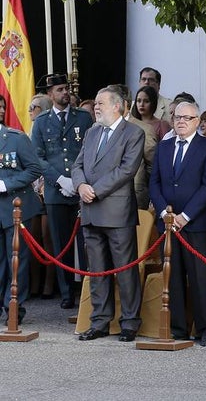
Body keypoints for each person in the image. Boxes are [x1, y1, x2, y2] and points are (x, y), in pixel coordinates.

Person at [74, 87, 146, 342]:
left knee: (124, 270)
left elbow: (127, 170)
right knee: (97, 271)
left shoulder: (133, 133)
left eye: (101, 103)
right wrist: (81, 186)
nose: (96, 106)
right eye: (96, 103)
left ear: (117, 106)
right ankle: (100, 321)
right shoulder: (93, 132)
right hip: (90, 211)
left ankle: (129, 323)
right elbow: (78, 164)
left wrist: (95, 190)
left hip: (116, 212)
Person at [148, 101, 206, 345]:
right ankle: (178, 328)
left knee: (200, 279)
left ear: (197, 121)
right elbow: (154, 183)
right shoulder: (164, 147)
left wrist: (185, 216)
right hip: (167, 224)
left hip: (196, 223)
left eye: (187, 118)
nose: (181, 121)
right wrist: (163, 213)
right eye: (177, 117)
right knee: (173, 277)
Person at [31, 72, 94, 309]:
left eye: (66, 88)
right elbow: (37, 158)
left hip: (81, 190)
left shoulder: (83, 118)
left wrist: (76, 182)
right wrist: (60, 180)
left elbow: (89, 152)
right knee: (60, 244)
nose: (65, 92)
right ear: (50, 94)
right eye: (59, 89)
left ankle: (87, 292)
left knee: (86, 243)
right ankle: (66, 293)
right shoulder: (41, 121)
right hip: (56, 192)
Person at [0, 114, 44, 325]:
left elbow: (34, 169)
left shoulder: (15, 138)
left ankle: (14, 306)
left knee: (16, 260)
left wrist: (6, 184)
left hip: (15, 209)